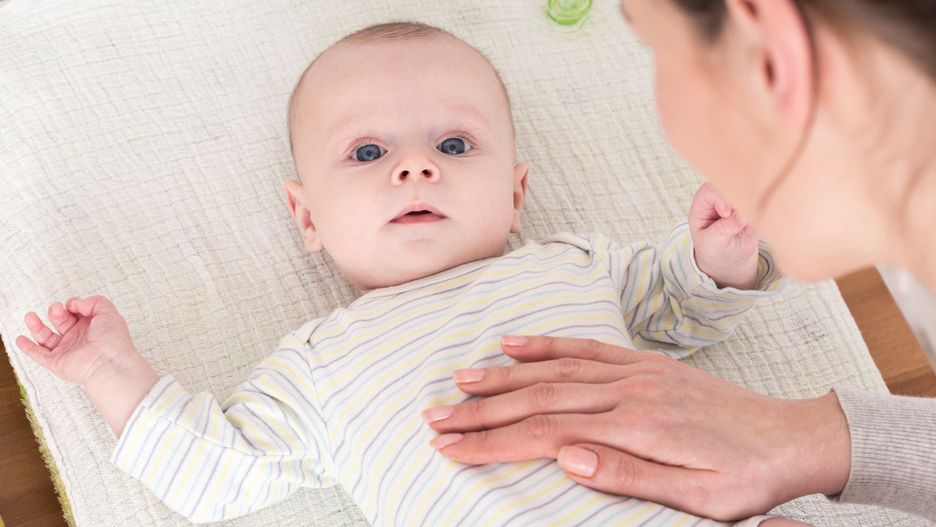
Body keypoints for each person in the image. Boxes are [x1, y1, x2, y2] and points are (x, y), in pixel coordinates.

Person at [14, 21, 795, 526]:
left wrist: (720, 256)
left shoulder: (577, 265)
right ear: (308, 217)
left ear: (516, 193)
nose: (416, 166)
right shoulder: (322, 364)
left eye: (454, 145)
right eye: (368, 152)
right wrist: (109, 370)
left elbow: (679, 311)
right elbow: (215, 472)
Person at [424, 0, 936, 522]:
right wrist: (822, 439)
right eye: (376, 153)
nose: (415, 169)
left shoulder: (566, 265)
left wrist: (710, 268)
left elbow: (671, 302)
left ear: (769, 57)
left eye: (653, 48)